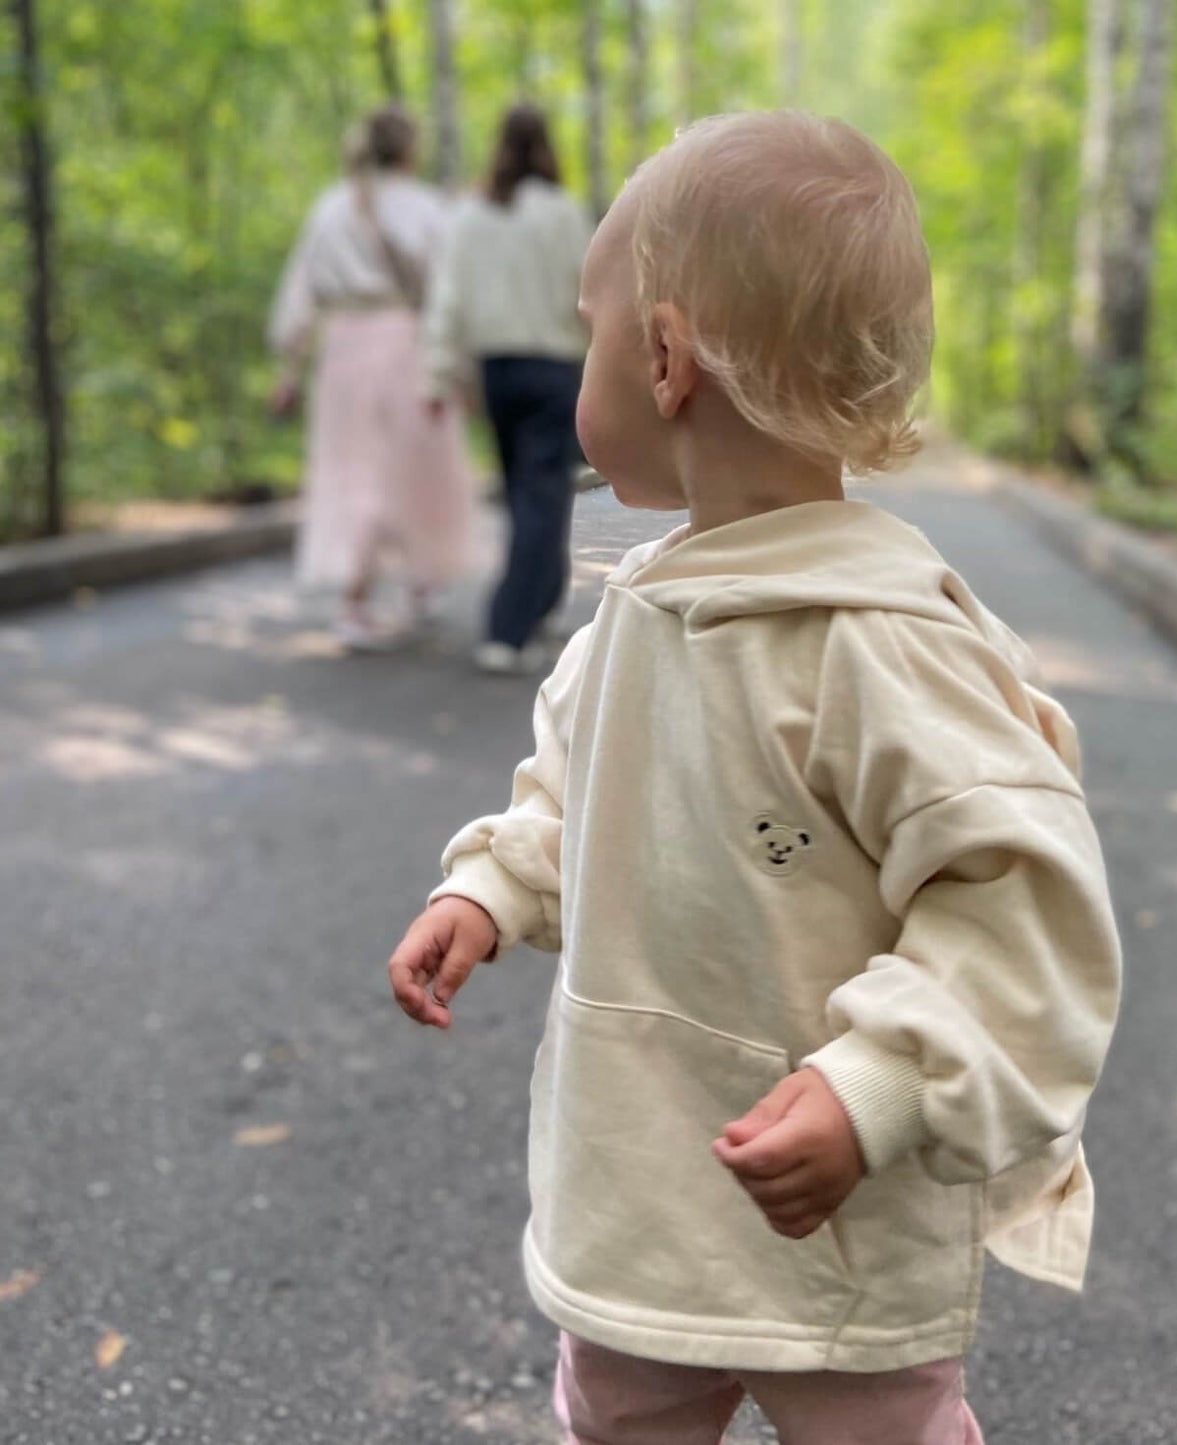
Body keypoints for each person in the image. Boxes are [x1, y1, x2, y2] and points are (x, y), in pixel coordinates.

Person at [388, 112, 1122, 1444]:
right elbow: (574, 782)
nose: (576, 362)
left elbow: (1018, 905)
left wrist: (880, 1083)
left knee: (872, 1425)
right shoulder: (641, 606)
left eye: (588, 329)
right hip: (640, 1188)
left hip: (831, 1204)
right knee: (618, 1409)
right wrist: (493, 883)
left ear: (663, 358)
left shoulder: (882, 642)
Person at [268, 106, 472, 651]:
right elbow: (448, 293)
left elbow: (300, 292)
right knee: (420, 465)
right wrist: (455, 364)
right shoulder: (428, 207)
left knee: (353, 469)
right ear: (409, 149)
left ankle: (358, 599)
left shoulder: (331, 206)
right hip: (406, 344)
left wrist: (289, 365)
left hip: (343, 350)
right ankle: (414, 580)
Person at [423, 104, 592, 674]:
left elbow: (447, 298)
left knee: (527, 497)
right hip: (553, 368)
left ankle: (539, 607)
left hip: (497, 373)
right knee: (543, 496)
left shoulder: (471, 216)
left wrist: (440, 373)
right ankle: (507, 629)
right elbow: (588, 291)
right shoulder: (563, 213)